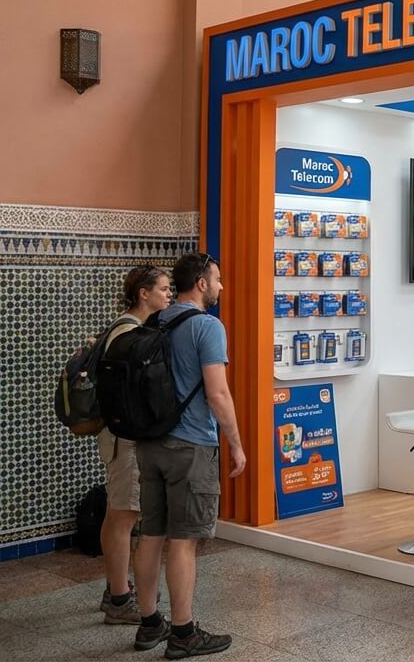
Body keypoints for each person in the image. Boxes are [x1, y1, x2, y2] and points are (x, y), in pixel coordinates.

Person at [132, 253, 245, 657]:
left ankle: (149, 623)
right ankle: (182, 633)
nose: (220, 287)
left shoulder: (154, 320)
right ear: (200, 283)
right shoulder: (207, 326)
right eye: (217, 279)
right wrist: (235, 443)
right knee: (183, 541)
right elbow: (218, 393)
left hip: (149, 444)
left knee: (150, 534)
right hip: (190, 445)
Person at [97, 266, 172, 625]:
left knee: (119, 514)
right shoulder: (128, 333)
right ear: (144, 293)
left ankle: (115, 585)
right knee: (123, 517)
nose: (168, 294)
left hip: (119, 436)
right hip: (124, 439)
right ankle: (118, 600)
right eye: (163, 289)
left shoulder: (125, 328)